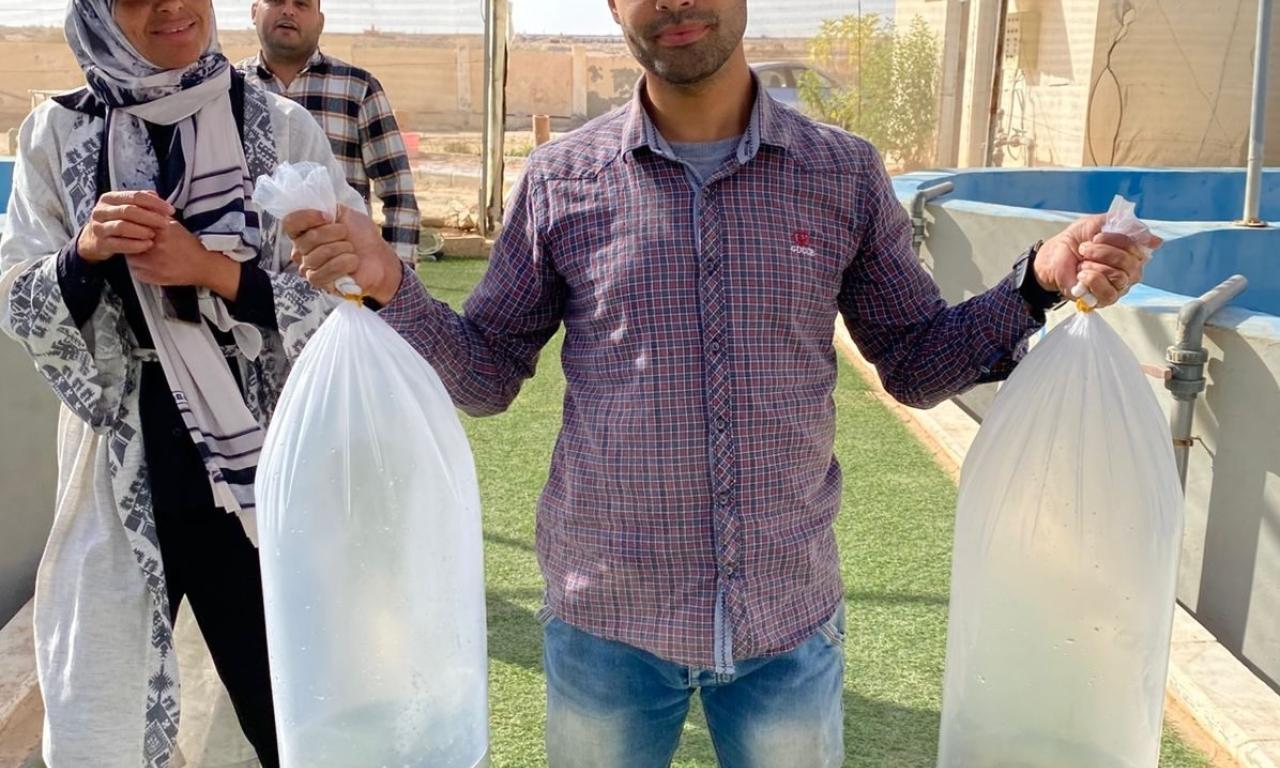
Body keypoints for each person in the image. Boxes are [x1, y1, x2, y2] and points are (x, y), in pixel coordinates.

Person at [286, 0, 1156, 765]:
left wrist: (1035, 282)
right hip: (607, 620)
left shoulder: (841, 174)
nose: (675, 2)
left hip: (785, 616)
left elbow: (920, 361)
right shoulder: (562, 181)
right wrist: (391, 285)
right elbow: (484, 373)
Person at [0, 0, 350, 764]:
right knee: (104, 717)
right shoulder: (56, 134)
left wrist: (213, 273)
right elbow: (15, 295)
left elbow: (343, 295)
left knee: (292, 717)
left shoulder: (282, 129)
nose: (170, 7)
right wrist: (83, 254)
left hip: (257, 481)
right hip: (117, 476)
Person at [240, 0, 421, 264]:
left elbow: (398, 191)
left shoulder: (357, 89)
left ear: (320, 22)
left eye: (301, 4)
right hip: (242, 283)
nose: (288, 11)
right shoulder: (229, 90)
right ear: (254, 12)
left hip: (339, 274)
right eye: (277, 1)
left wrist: (396, 284)